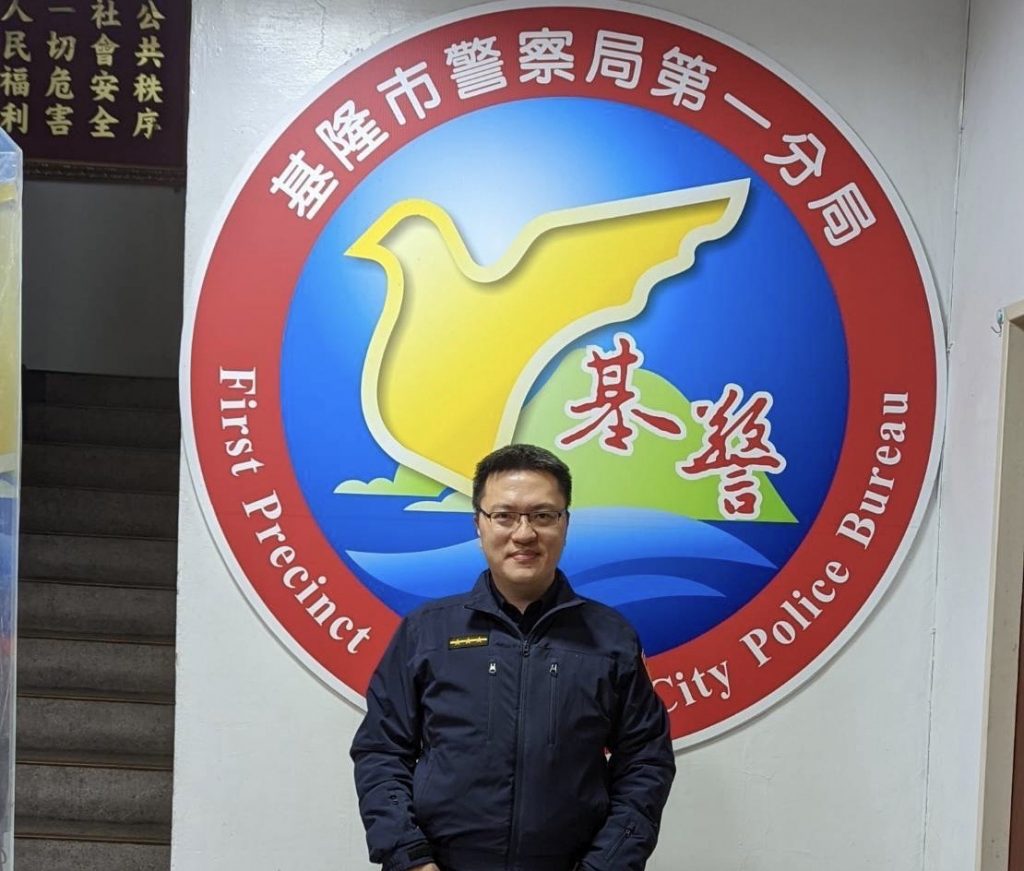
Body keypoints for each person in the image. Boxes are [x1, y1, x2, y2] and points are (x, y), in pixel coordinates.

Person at [351, 444, 675, 871]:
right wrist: (410, 858)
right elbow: (381, 751)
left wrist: (606, 865)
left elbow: (645, 761)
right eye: (504, 516)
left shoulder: (610, 638)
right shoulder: (426, 632)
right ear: (479, 524)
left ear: (565, 523)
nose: (524, 534)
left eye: (543, 515)